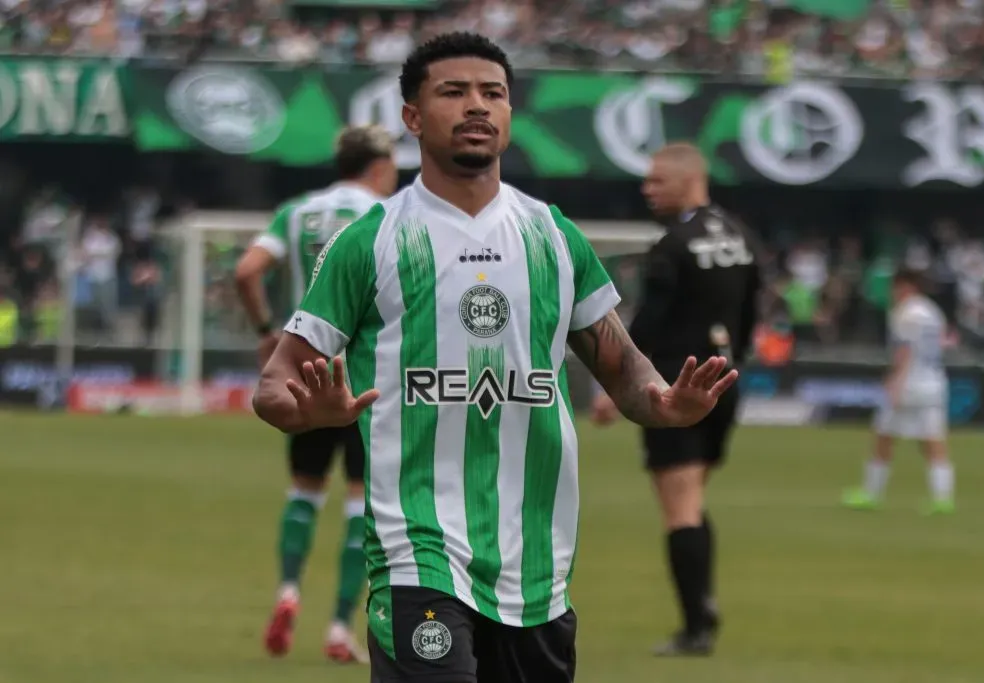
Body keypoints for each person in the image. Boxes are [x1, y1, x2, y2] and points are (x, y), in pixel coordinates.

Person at [251, 32, 738, 683]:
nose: (477, 106)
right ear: (413, 118)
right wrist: (307, 409)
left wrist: (662, 403)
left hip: (535, 561)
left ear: (510, 113)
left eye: (493, 93)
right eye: (454, 92)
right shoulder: (368, 243)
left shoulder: (555, 237)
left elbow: (622, 367)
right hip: (415, 550)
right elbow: (273, 384)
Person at [234, 124, 399, 663]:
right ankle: (338, 628)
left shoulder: (299, 210)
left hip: (303, 367)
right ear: (379, 167)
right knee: (361, 500)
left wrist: (266, 332)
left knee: (304, 489)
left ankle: (287, 591)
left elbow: (247, 270)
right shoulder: (390, 212)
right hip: (364, 374)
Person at [591, 143, 762, 657]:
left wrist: (614, 385)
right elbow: (751, 316)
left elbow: (648, 323)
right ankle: (703, 605)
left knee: (679, 507)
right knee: (693, 499)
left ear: (690, 180)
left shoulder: (673, 245)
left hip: (675, 389)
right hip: (724, 383)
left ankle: (696, 627)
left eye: (657, 180)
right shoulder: (743, 237)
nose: (648, 189)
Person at [842, 266, 955, 515]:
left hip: (909, 384)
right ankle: (943, 499)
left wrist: (895, 381)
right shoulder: (932, 311)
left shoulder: (905, 313)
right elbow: (943, 343)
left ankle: (871, 494)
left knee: (884, 435)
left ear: (906, 286)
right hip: (934, 381)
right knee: (933, 440)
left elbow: (904, 350)